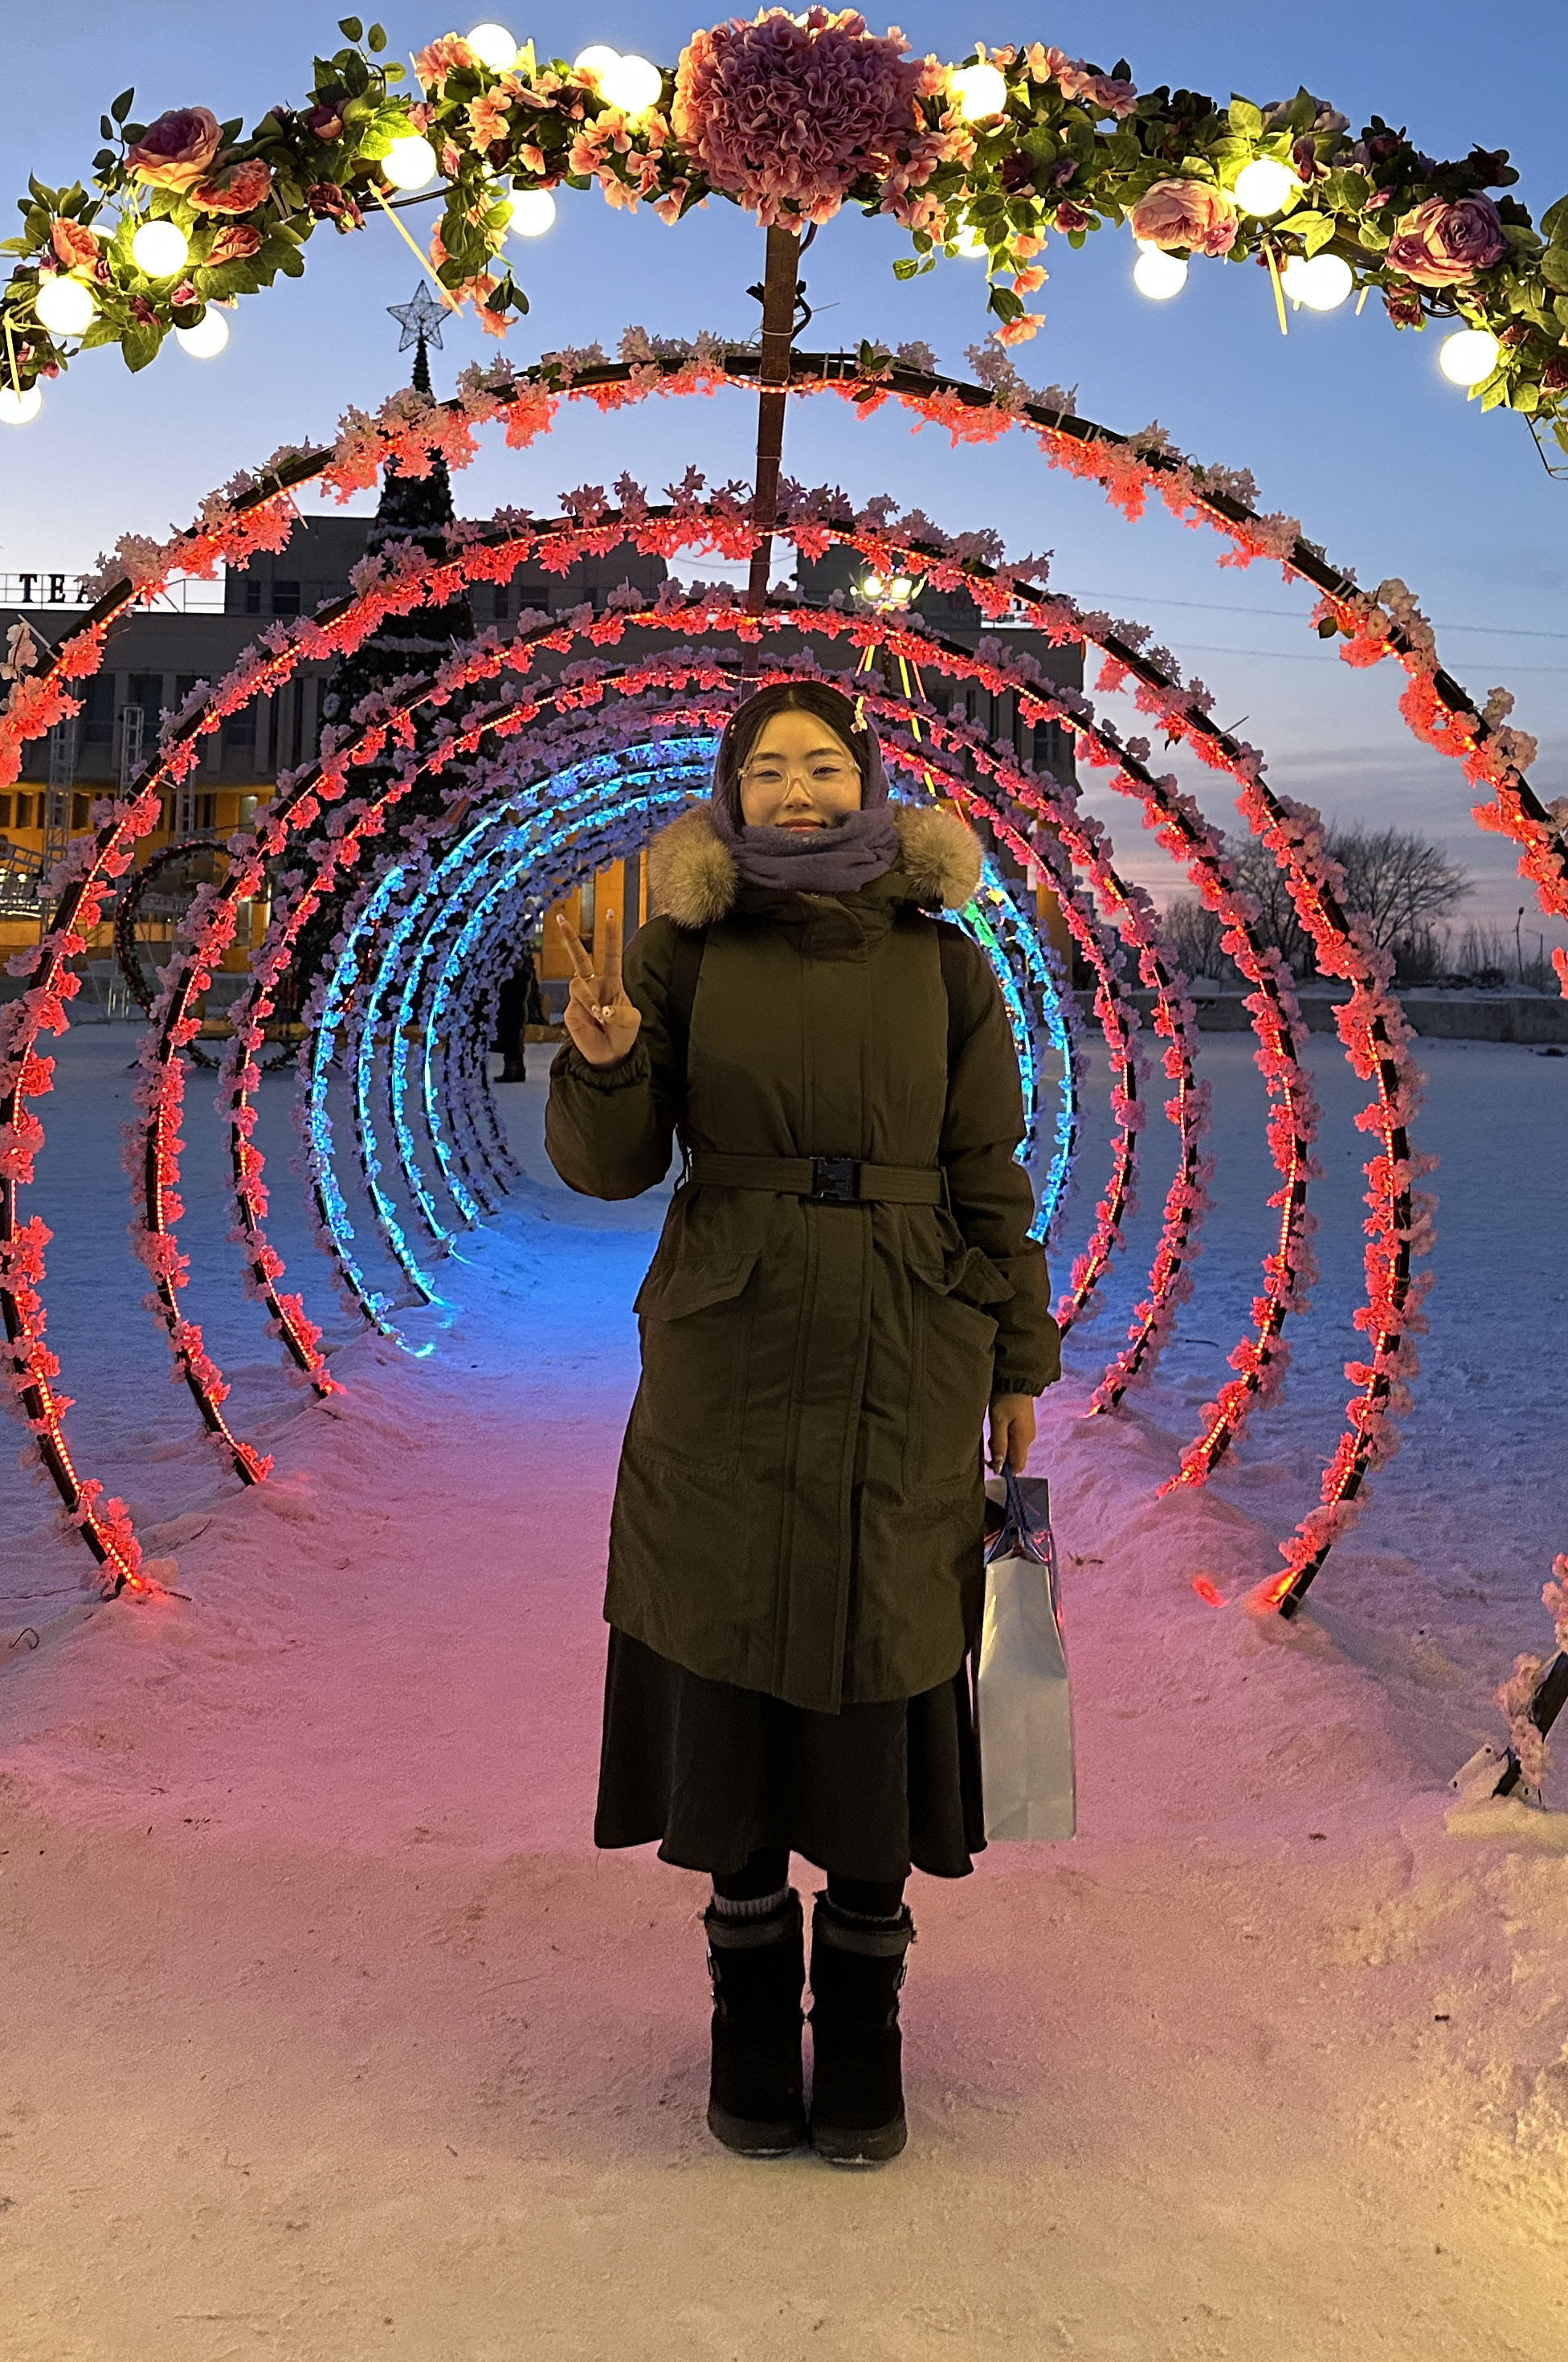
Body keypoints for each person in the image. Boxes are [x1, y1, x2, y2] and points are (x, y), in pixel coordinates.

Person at [546, 677, 1056, 2168]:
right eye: (766, 768)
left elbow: (987, 1165)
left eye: (822, 765)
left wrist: (1015, 1357)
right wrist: (603, 1064)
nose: (796, 790)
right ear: (730, 791)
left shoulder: (944, 964)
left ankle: (868, 2028)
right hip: (732, 1331)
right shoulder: (681, 950)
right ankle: (750, 2015)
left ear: (866, 781)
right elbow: (612, 1168)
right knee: (731, 1630)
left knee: (882, 1636)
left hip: (908, 1329)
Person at [495, 953, 545, 1083]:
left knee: (512, 1043)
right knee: (515, 1043)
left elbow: (509, 996)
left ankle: (512, 1072)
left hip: (512, 1013)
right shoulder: (522, 978)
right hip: (516, 1013)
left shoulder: (516, 979)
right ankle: (517, 1071)